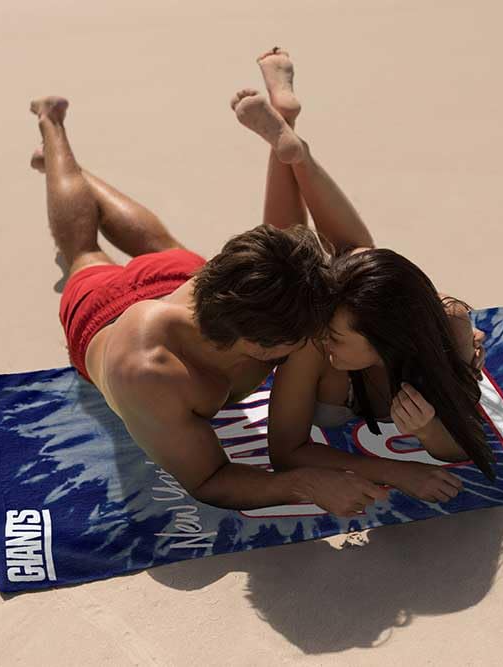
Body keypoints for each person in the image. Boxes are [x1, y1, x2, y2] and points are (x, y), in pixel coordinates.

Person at [30, 91, 388, 515]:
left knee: (161, 245)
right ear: (263, 348)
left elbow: (285, 235)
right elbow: (208, 478)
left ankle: (67, 169)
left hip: (179, 280)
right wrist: (305, 483)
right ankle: (52, 124)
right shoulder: (150, 372)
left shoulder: (253, 288)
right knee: (84, 253)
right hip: (103, 313)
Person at [230, 48, 494, 513]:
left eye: (338, 337)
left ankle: (289, 136)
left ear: (385, 337)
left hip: (392, 301)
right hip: (361, 290)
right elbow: (285, 450)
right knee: (304, 258)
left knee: (357, 256)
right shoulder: (315, 341)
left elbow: (463, 441)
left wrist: (428, 430)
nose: (325, 340)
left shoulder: (447, 325)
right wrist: (396, 471)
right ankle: (295, 149)